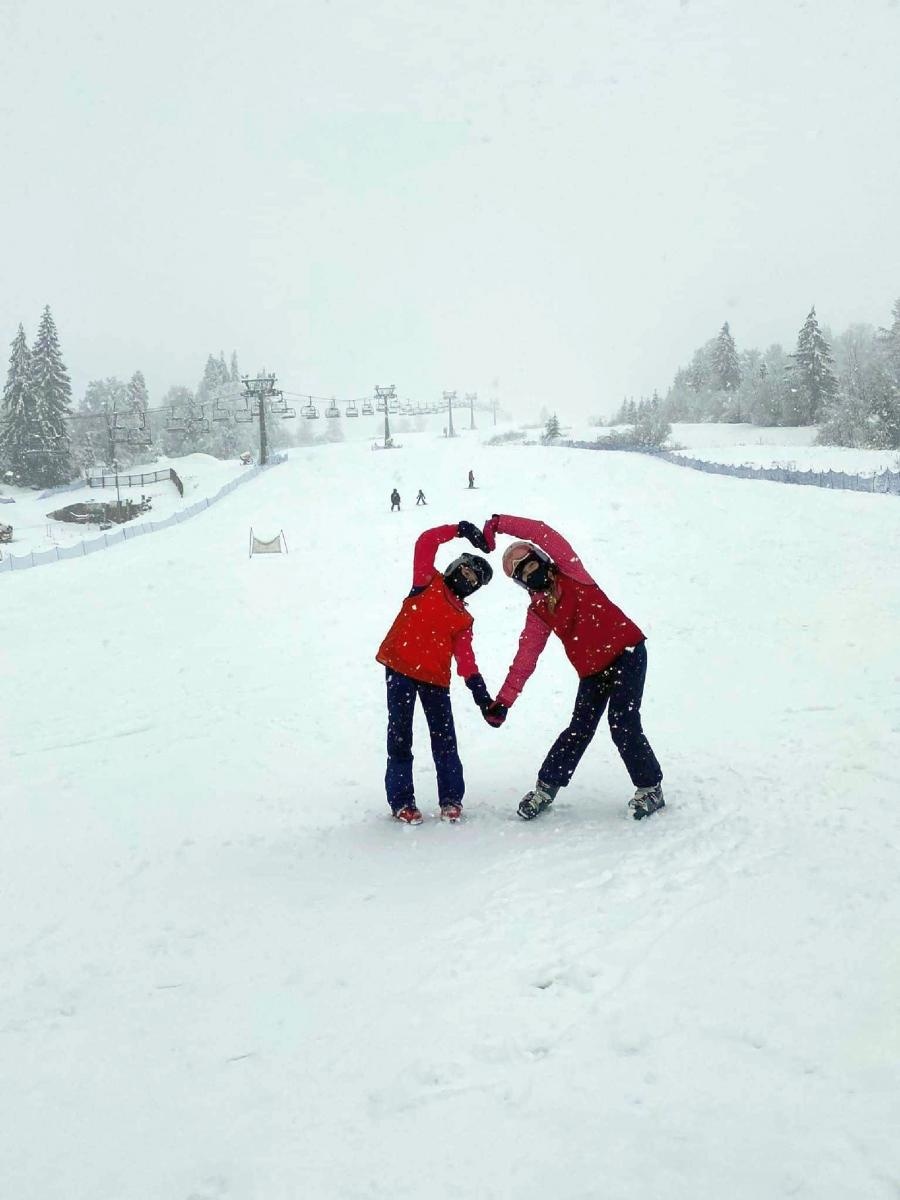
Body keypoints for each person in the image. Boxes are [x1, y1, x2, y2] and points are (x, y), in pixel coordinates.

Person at [481, 514, 664, 822]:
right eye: (523, 573)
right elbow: (525, 660)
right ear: (521, 582)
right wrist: (504, 702)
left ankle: (651, 789)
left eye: (530, 563)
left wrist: (499, 524)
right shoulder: (538, 612)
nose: (530, 572)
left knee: (622, 723)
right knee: (578, 730)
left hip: (627, 652)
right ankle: (545, 788)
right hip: (592, 672)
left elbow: (540, 531)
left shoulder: (570, 570)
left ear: (541, 558)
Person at [376, 522, 495, 824]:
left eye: (473, 580)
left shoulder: (463, 618)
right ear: (456, 567)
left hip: (436, 681)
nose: (467, 579)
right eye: (466, 571)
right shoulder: (427, 580)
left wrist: (481, 695)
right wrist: (460, 530)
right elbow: (426, 541)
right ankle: (402, 801)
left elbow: (466, 660)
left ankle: (451, 798)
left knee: (445, 739)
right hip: (400, 668)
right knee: (400, 735)